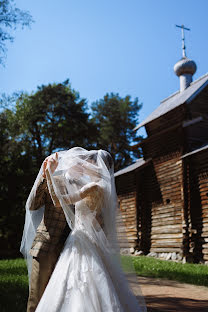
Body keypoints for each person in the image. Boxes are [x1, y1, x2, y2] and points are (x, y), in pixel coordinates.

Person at [21, 147, 146, 312]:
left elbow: (59, 201)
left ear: (97, 166)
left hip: (80, 240)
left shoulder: (93, 186)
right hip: (74, 242)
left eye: (89, 162)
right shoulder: (103, 187)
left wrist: (49, 174)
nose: (84, 164)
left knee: (75, 286)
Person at [20, 153, 71, 312]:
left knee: (62, 301)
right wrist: (44, 175)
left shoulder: (86, 188)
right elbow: (32, 205)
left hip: (72, 252)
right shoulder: (53, 182)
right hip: (46, 247)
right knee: (37, 298)